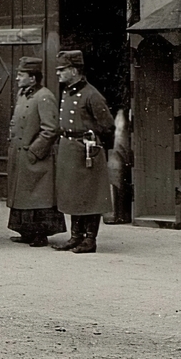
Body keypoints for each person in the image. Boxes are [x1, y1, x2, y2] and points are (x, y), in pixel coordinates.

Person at [52, 50, 115, 253]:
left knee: (90, 195)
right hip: (69, 149)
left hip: (86, 150)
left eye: (62, 70)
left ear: (74, 70)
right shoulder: (67, 91)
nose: (58, 74)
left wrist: (93, 141)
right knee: (72, 194)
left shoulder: (91, 95)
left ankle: (90, 239)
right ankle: (75, 236)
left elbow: (107, 125)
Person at [6, 56, 64, 247]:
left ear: (32, 78)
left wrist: (34, 151)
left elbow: (50, 129)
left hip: (36, 157)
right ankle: (26, 232)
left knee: (39, 197)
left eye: (21, 75)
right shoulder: (23, 94)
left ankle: (40, 234)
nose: (17, 78)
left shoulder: (44, 96)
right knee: (23, 195)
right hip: (20, 154)